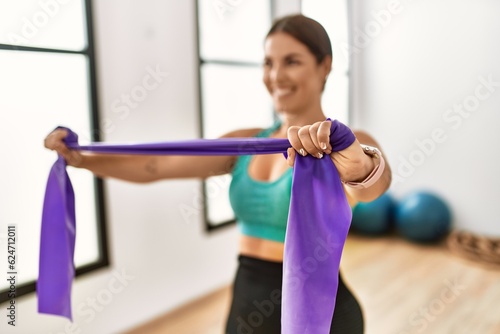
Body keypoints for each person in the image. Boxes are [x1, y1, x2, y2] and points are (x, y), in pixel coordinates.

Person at [45, 14, 391, 334]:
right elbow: (156, 165)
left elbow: (373, 182)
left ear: (324, 66)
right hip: (246, 305)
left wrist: (360, 166)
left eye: (292, 62)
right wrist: (80, 158)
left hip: (321, 315)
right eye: (268, 63)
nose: (276, 76)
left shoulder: (346, 145)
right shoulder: (247, 142)